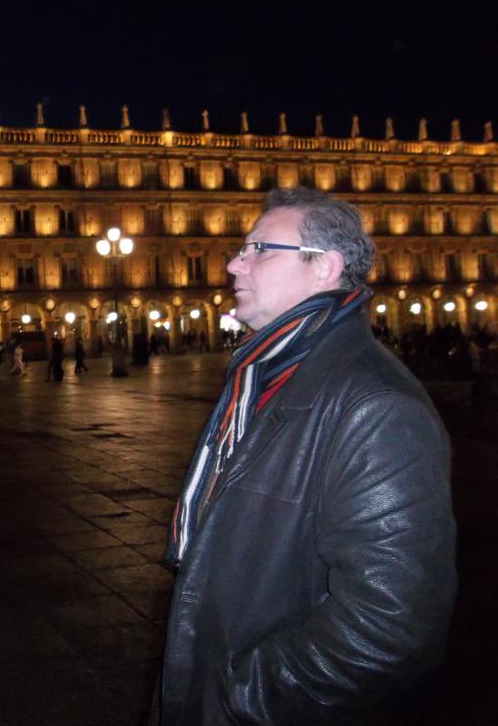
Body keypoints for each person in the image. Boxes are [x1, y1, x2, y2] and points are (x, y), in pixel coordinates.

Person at [156, 188, 456, 726]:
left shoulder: (376, 405)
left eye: (258, 249)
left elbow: (392, 625)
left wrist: (239, 699)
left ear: (325, 268)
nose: (233, 264)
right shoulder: (269, 374)